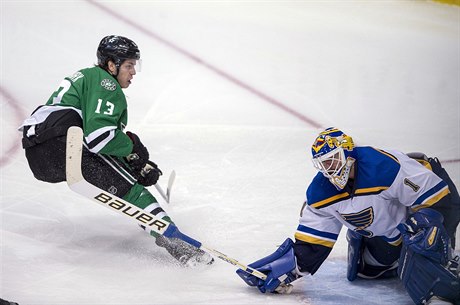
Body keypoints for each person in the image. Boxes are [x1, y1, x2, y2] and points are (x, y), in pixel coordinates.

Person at [18, 35, 213, 267]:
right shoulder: (105, 82)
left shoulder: (86, 78)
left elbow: (96, 138)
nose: (133, 72)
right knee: (132, 191)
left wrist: (134, 162)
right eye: (129, 65)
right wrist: (133, 149)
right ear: (111, 65)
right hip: (63, 142)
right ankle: (177, 243)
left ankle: (154, 224)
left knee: (125, 183)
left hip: (41, 152)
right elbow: (99, 137)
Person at [237, 127, 460, 305]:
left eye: (332, 160)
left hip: (431, 194)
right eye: (323, 165)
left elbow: (435, 195)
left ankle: (441, 271)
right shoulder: (321, 192)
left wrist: (428, 221)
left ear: (348, 153)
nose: (329, 170)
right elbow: (313, 245)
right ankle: (364, 240)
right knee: (368, 271)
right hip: (387, 227)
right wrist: (286, 270)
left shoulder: (382, 167)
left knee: (426, 242)